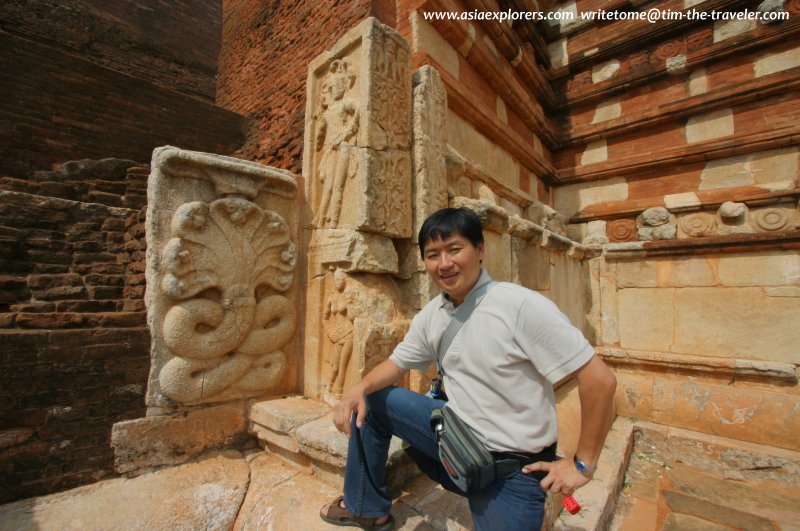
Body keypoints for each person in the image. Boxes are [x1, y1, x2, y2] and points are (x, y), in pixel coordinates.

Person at [320, 207, 617, 530]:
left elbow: (599, 380)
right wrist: (358, 389)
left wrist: (582, 465)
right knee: (373, 402)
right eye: (433, 254)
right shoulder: (433, 314)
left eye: (454, 249)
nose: (444, 263)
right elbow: (397, 363)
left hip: (511, 470)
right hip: (456, 441)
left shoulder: (519, 305)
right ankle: (365, 506)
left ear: (480, 250)